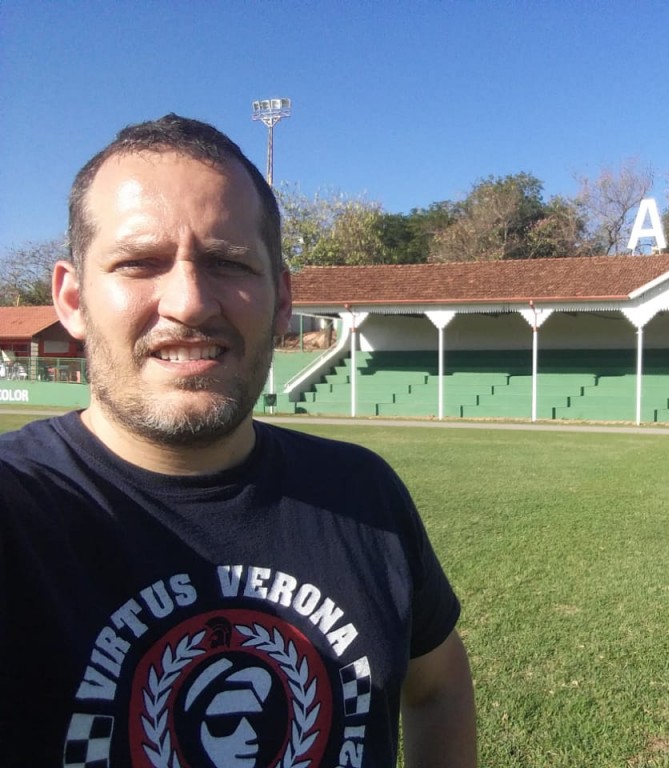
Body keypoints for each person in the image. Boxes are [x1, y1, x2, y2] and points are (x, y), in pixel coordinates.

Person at [0, 114, 476, 767]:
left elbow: (439, 681)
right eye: (139, 262)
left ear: (283, 300)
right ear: (74, 298)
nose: (190, 303)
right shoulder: (19, 509)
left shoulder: (364, 494)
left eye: (227, 262)